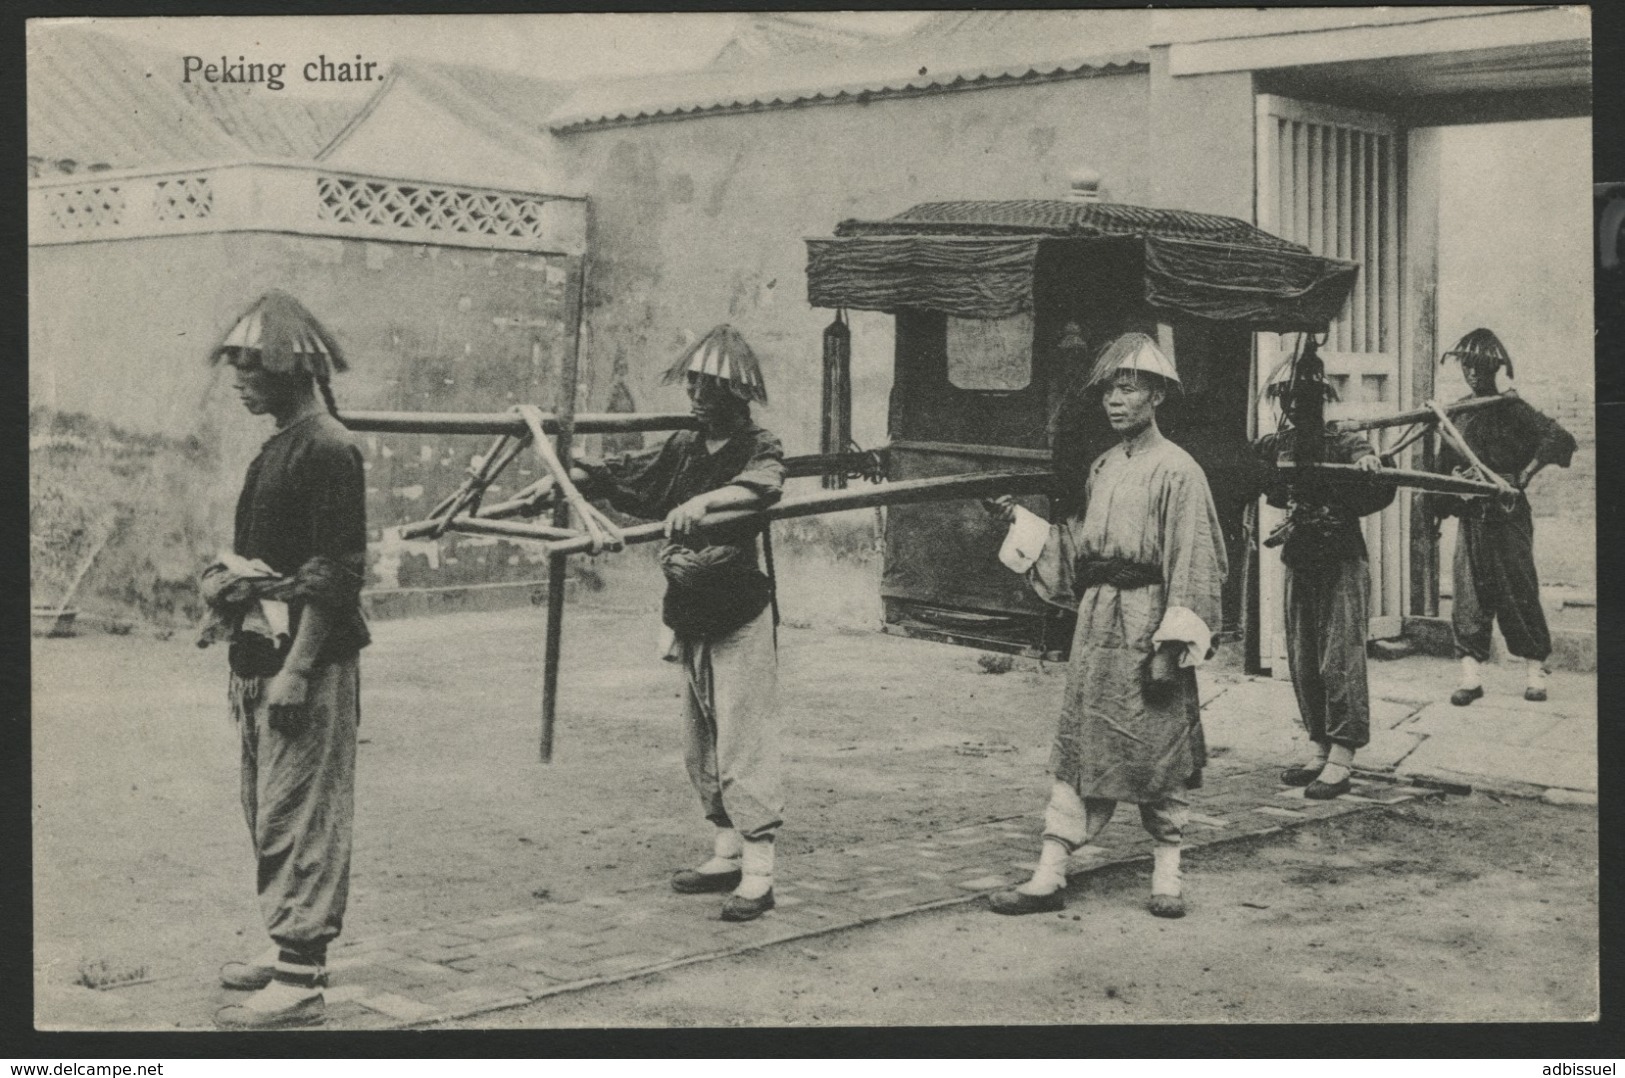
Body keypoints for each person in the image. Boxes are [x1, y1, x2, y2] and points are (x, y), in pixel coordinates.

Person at [984, 333, 1226, 919]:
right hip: (1097, 624)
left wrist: (1170, 648)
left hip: (1148, 622)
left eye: (1129, 388)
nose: (1115, 400)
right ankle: (1049, 872)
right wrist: (1019, 520)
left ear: (1157, 397)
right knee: (1080, 744)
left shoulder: (1179, 470)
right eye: (1110, 390)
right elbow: (1076, 548)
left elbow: (1194, 561)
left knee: (1156, 744)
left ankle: (1167, 873)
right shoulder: (1102, 466)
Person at [568, 325, 787, 922]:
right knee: (700, 742)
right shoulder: (684, 445)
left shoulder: (758, 444)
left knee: (744, 737)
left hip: (739, 607)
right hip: (689, 607)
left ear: (735, 392)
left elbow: (763, 487)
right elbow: (633, 479)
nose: (696, 393)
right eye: (692, 381)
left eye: (708, 384)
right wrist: (578, 473)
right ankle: (726, 851)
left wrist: (702, 503)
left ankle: (761, 872)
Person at [197, 291, 370, 1030]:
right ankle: (289, 945)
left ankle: (300, 980)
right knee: (269, 809)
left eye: (250, 367)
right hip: (262, 651)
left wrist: (298, 668)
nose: (237, 380)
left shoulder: (329, 447)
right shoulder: (280, 444)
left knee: (299, 815)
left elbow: (336, 570)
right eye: (234, 365)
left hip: (307, 658)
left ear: (291, 370)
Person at [1253, 350, 1390, 800]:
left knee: (1339, 657)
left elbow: (1363, 454)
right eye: (1289, 400)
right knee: (1304, 655)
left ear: (1321, 401)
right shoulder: (1280, 444)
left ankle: (1342, 757)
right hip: (1300, 556)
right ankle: (1317, 746)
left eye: (1306, 400)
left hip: (1340, 555)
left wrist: (1369, 463)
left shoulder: (1340, 437)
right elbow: (1265, 481)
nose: (1297, 408)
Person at [1432, 329, 1577, 705]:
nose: (1473, 373)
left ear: (1496, 367)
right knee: (1469, 594)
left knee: (1519, 590)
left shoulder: (1513, 408)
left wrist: (1523, 475)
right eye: (1467, 366)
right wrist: (1444, 497)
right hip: (1473, 517)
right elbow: (1442, 468)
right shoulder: (1458, 414)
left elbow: (1559, 439)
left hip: (1510, 515)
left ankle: (1534, 672)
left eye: (1480, 366)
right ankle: (1470, 677)